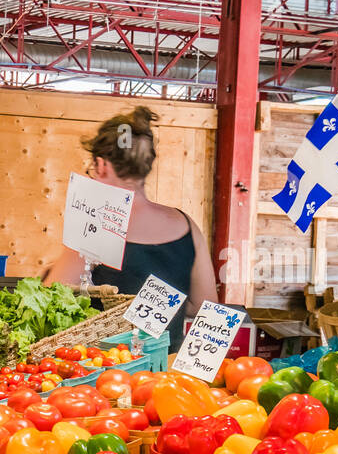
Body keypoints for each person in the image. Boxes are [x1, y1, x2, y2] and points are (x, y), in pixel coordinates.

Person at [49, 107, 217, 347]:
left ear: (101, 165)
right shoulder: (188, 224)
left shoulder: (97, 221)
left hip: (107, 372)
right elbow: (204, 306)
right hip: (166, 374)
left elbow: (52, 295)